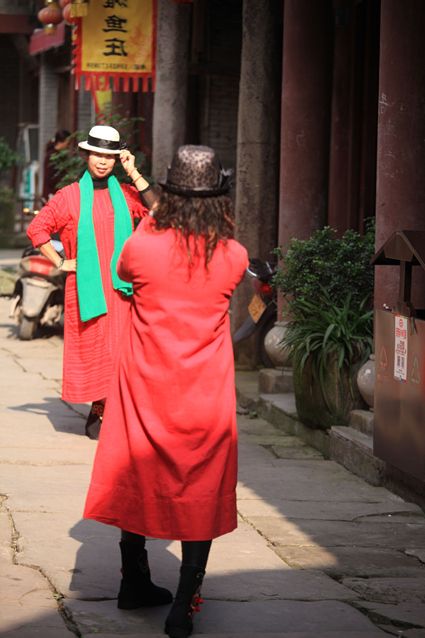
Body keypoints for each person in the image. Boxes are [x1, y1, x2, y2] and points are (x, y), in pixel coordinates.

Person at [83, 145, 249, 638]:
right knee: (201, 482)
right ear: (220, 198)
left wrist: (157, 218)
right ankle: (183, 606)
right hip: (204, 387)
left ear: (169, 193)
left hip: (145, 380)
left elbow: (124, 272)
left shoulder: (143, 245)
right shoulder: (233, 255)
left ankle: (133, 581)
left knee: (137, 469)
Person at [27, 125, 155, 438]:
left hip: (122, 290)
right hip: (87, 290)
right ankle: (99, 408)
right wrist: (60, 262)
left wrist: (133, 171)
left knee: (123, 352)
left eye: (109, 156)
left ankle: (117, 410)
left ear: (116, 159)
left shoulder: (126, 194)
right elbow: (37, 229)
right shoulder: (69, 196)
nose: (102, 161)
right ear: (86, 155)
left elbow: (158, 211)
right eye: (97, 154)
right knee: (98, 352)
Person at [42, 129, 71, 200]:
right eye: (68, 142)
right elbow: (49, 177)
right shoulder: (51, 155)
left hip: (58, 192)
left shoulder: (61, 155)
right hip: (51, 193)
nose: (69, 145)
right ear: (64, 141)